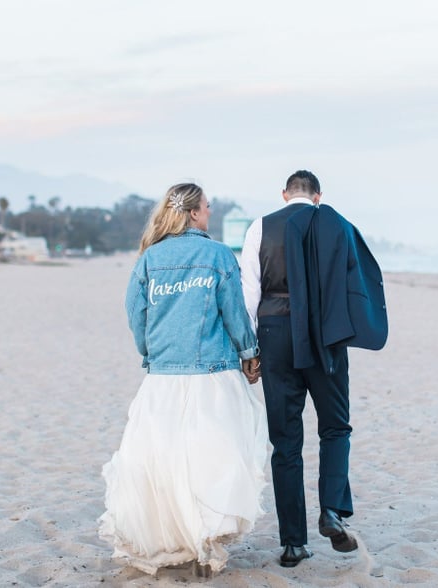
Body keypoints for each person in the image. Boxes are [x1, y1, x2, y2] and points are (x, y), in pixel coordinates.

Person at [99, 182, 268, 576]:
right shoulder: (217, 255)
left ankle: (180, 538)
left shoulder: (149, 259)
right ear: (193, 213)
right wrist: (249, 353)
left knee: (164, 457)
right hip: (212, 374)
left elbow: (134, 313)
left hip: (163, 376)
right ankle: (206, 538)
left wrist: (150, 351)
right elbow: (234, 313)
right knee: (212, 455)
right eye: (207, 207)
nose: (211, 212)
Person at [240, 170, 388, 568]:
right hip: (325, 336)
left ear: (285, 194)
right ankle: (332, 511)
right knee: (335, 427)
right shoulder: (337, 225)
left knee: (285, 442)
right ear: (318, 196)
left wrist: (249, 349)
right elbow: (356, 282)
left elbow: (249, 292)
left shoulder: (260, 226)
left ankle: (292, 544)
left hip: (275, 333)